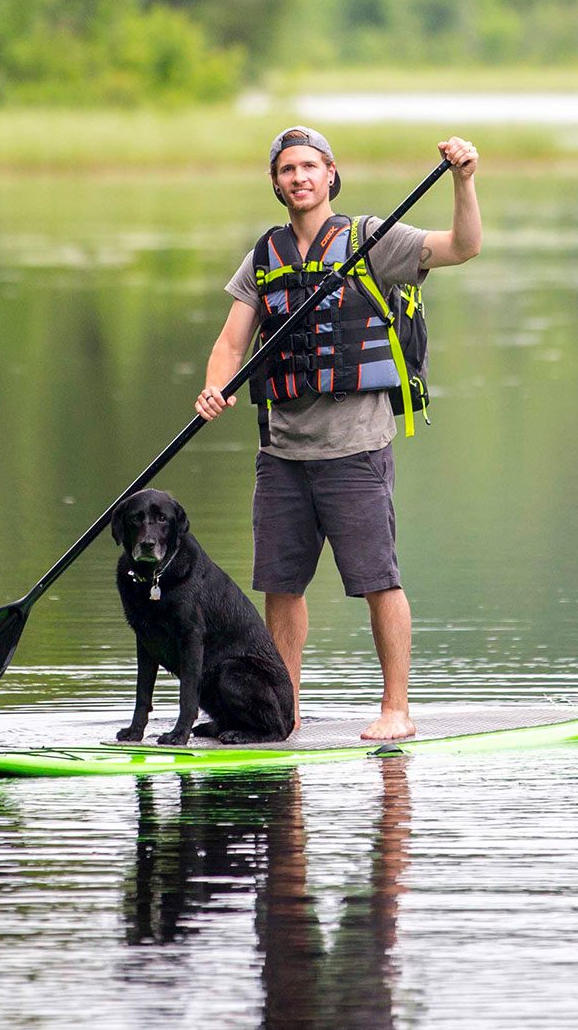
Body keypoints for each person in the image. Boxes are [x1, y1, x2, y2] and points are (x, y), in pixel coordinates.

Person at [195, 127, 481, 740]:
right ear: (275, 182)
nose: (299, 177)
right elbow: (229, 342)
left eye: (309, 166)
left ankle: (396, 710)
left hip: (356, 449)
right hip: (281, 453)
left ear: (330, 175)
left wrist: (463, 179)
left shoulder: (371, 240)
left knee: (379, 583)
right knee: (281, 588)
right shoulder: (263, 258)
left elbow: (462, 246)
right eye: (287, 169)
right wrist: (215, 387)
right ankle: (284, 715)